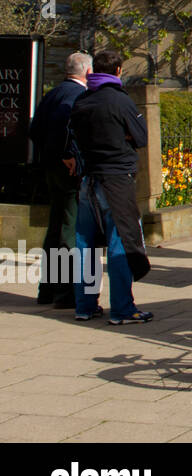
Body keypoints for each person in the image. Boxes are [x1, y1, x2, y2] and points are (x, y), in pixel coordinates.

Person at [66, 50, 152, 324]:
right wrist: (123, 134)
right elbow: (141, 137)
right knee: (120, 242)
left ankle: (85, 306)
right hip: (117, 181)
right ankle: (123, 309)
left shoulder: (82, 100)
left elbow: (75, 136)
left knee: (86, 245)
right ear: (117, 71)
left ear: (93, 73)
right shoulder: (120, 101)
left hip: (89, 179)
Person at [28, 51, 92, 308]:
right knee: (69, 229)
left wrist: (51, 157)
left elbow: (34, 131)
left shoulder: (53, 93)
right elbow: (64, 126)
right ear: (87, 72)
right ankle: (64, 294)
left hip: (50, 171)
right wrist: (66, 155)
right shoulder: (76, 95)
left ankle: (47, 289)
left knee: (55, 229)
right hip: (67, 173)